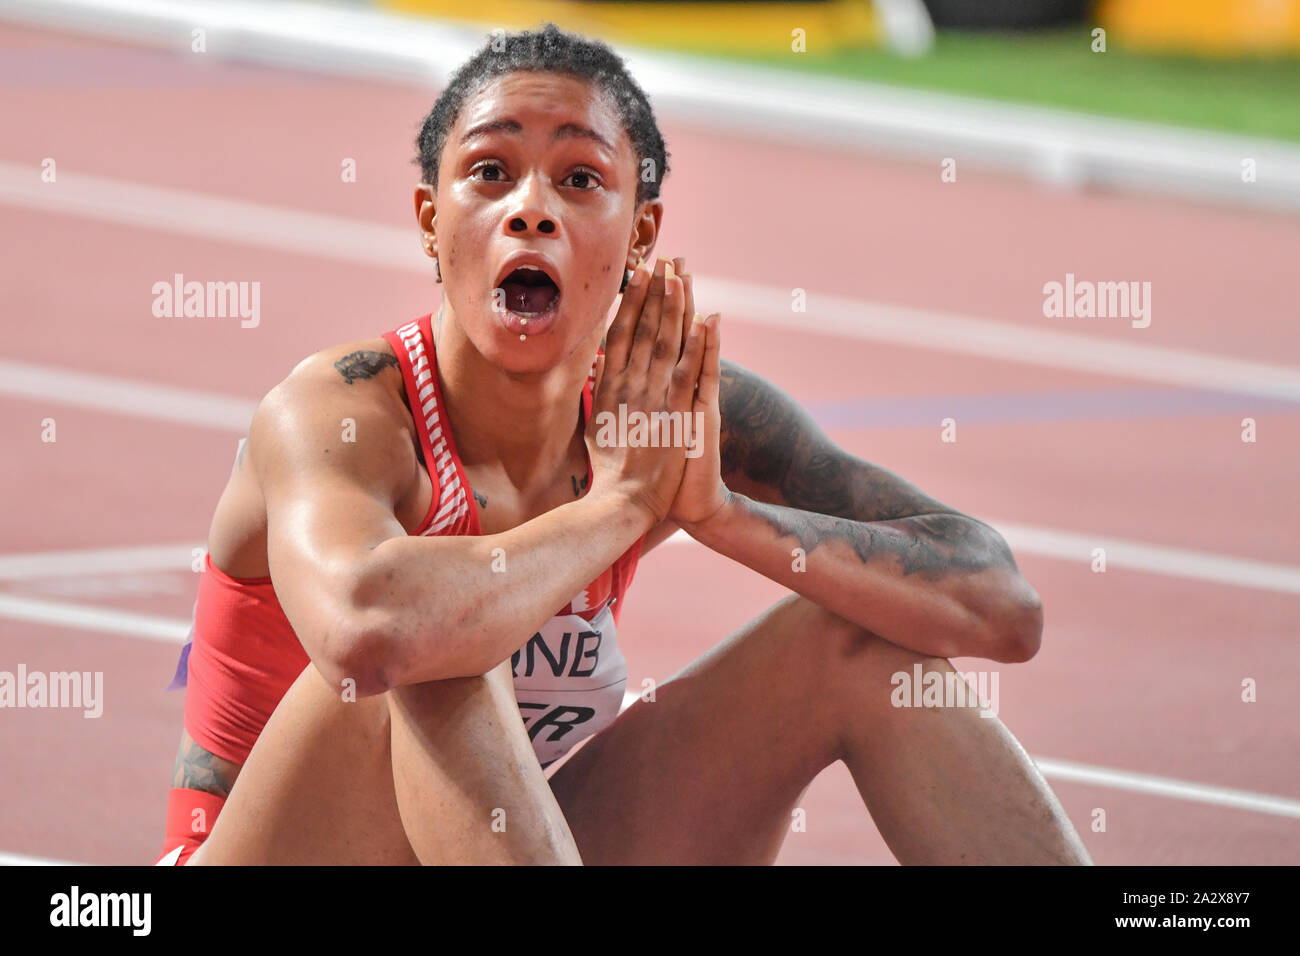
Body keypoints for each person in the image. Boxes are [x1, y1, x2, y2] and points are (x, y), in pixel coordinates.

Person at [159, 22, 1089, 866]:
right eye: (489, 173)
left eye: (580, 178)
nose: (530, 209)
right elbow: (368, 633)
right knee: (438, 641)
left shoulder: (662, 415)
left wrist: (720, 514)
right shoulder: (341, 412)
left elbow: (1003, 608)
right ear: (430, 222)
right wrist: (623, 508)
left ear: (638, 234)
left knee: (854, 641)